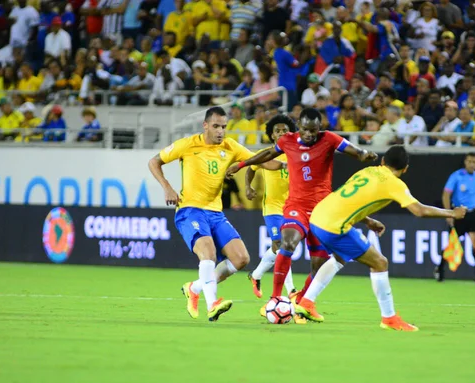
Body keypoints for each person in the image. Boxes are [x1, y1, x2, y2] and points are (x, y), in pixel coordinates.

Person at [294, 145, 466, 328]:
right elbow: (419, 210)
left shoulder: (368, 170)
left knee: (340, 256)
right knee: (380, 262)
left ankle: (306, 303)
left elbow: (348, 199)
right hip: (334, 226)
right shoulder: (394, 183)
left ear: (383, 161)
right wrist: (452, 213)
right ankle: (389, 318)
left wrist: (367, 221)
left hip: (318, 216)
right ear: (405, 169)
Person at [226, 108, 377, 315]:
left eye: (313, 131)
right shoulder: (288, 140)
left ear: (320, 129)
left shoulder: (328, 139)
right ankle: (275, 298)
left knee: (319, 262)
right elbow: (268, 153)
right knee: (287, 243)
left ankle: (302, 302)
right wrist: (242, 164)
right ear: (299, 127)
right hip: (295, 206)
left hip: (321, 211)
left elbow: (351, 149)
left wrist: (362, 154)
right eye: (305, 130)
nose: (309, 135)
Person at [147, 107, 284, 322]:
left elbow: (262, 161)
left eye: (224, 127)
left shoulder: (231, 146)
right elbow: (154, 161)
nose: (221, 131)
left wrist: (289, 164)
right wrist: (167, 187)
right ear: (206, 126)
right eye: (216, 127)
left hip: (215, 212)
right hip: (189, 210)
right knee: (208, 254)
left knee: (241, 259)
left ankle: (195, 288)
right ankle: (212, 304)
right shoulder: (188, 144)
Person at [245, 115, 296, 300]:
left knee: (281, 248)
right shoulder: (267, 153)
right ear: (272, 135)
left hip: (291, 207)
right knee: (282, 246)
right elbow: (251, 167)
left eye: (285, 130)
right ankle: (291, 290)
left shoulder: (296, 153)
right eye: (277, 131)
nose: (282, 133)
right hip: (272, 207)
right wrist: (247, 186)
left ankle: (256, 275)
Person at [435, 153, 475, 283]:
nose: (472, 164)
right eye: (469, 161)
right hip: (459, 213)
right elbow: (446, 194)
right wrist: (449, 214)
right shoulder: (456, 176)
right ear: (465, 162)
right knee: (452, 245)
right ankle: (440, 269)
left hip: (472, 214)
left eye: (474, 162)